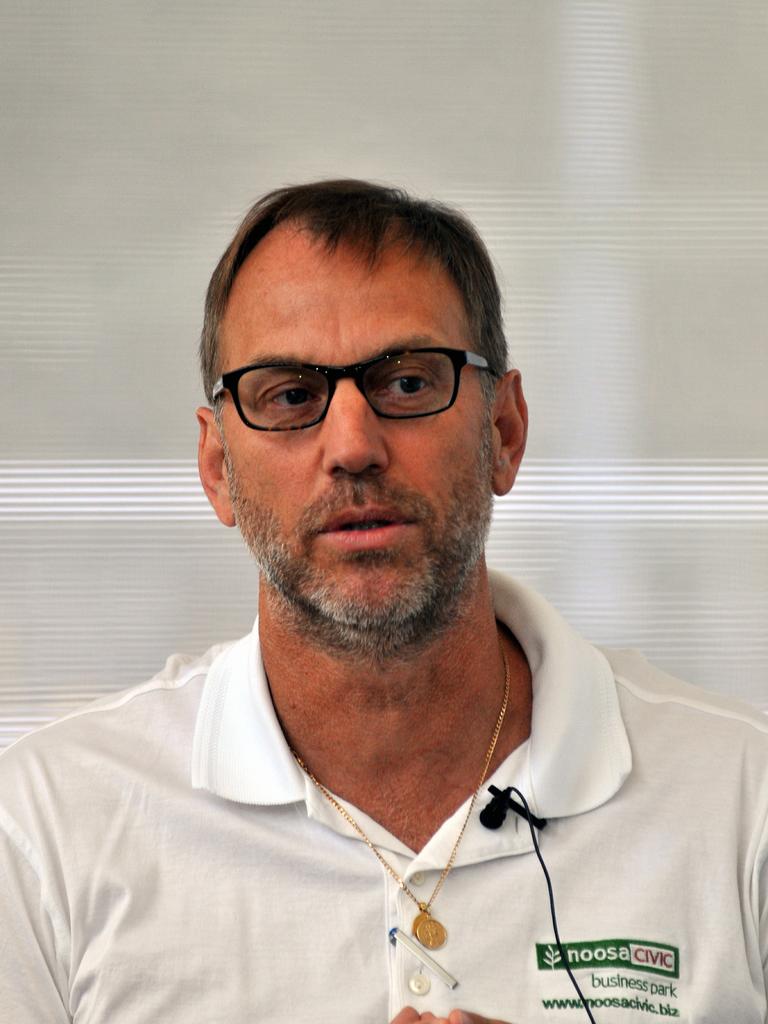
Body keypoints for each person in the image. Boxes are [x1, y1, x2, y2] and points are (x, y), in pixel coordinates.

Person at [1, 180, 767, 1024]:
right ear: (217, 468)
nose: (354, 446)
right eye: (290, 395)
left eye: (406, 383)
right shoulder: (44, 830)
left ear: (504, 433)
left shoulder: (743, 802)